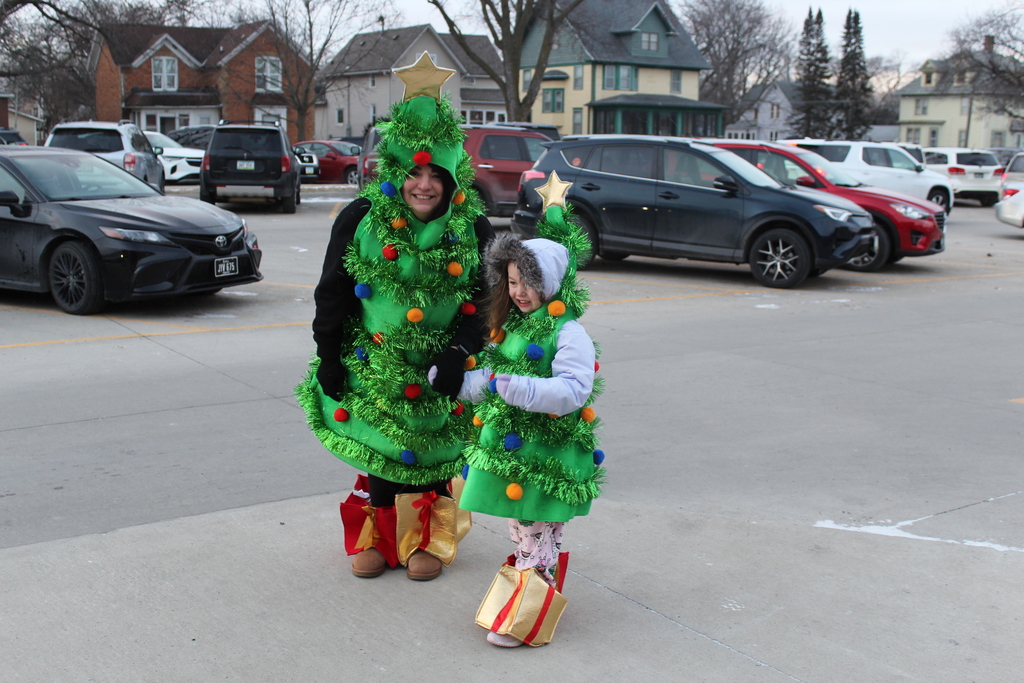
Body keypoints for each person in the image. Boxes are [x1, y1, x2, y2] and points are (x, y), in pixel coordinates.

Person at [296, 52, 493, 582]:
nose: (423, 185)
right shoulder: (361, 219)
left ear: (452, 178)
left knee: (431, 459)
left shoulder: (472, 230)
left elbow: (488, 301)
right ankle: (379, 539)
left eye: (435, 174)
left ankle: (424, 540)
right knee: (381, 453)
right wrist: (329, 356)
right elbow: (332, 294)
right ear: (398, 172)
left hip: (439, 372)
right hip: (374, 364)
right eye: (414, 172)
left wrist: (460, 352)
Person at [447, 174, 606, 647]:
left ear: (550, 283)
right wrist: (463, 385)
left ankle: (527, 615)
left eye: (528, 283)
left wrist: (521, 389)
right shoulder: (512, 327)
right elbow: (495, 378)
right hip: (511, 453)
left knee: (538, 528)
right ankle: (530, 587)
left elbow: (574, 389)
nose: (518, 292)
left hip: (548, 453)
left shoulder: (568, 332)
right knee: (523, 528)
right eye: (512, 281)